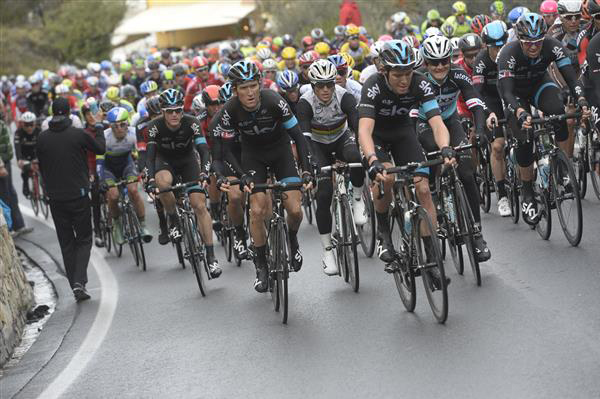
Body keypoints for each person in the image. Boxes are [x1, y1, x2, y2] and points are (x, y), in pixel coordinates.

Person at [357, 40, 453, 287]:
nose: (404, 80)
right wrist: (373, 160)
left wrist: (444, 147)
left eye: (408, 73)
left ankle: (432, 260)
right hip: (376, 137)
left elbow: (436, 121)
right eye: (397, 74)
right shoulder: (373, 86)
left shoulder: (420, 82)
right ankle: (384, 234)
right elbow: (365, 131)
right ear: (385, 72)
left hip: (402, 133)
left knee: (422, 189)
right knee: (386, 178)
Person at [212, 60, 313, 293]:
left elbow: (298, 137)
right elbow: (224, 151)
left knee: (296, 210)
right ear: (235, 90)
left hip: (280, 152)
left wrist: (306, 169)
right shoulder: (228, 112)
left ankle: (292, 239)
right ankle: (261, 266)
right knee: (257, 210)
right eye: (243, 88)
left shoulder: (274, 100)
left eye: (253, 86)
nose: (249, 92)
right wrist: (241, 175)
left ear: (259, 84)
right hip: (252, 156)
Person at [497, 12, 590, 224]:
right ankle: (528, 193)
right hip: (515, 93)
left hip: (539, 85)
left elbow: (571, 78)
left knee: (559, 112)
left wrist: (582, 100)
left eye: (538, 42)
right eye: (528, 42)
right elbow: (507, 92)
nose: (533, 47)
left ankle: (560, 168)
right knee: (525, 135)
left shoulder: (552, 45)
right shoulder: (508, 53)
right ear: (519, 40)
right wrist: (520, 112)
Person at [417, 35, 491, 262]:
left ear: (450, 60)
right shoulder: (418, 80)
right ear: (425, 63)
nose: (440, 66)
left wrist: (479, 131)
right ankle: (435, 199)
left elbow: (475, 102)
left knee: (467, 171)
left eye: (444, 61)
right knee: (432, 153)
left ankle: (476, 232)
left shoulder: (458, 74)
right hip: (424, 124)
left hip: (450, 120)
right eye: (433, 62)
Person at [296, 59, 366, 275]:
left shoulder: (344, 96)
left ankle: (357, 200)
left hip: (341, 136)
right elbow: (304, 139)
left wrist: (363, 147)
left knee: (355, 156)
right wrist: (310, 168)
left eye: (329, 85)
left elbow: (356, 125)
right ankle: (327, 250)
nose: (326, 90)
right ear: (313, 85)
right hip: (317, 144)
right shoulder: (305, 102)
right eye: (320, 86)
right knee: (324, 193)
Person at [145, 88, 221, 278]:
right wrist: (150, 180)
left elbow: (204, 150)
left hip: (188, 162)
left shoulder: (192, 122)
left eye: (178, 110)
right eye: (170, 111)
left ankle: (211, 258)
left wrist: (204, 171)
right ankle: (173, 217)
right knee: (163, 184)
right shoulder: (154, 126)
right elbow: (150, 157)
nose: (174, 115)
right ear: (162, 111)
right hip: (164, 162)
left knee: (199, 206)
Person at [36, 97, 106, 302]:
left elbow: (41, 165)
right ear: (69, 113)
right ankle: (79, 282)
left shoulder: (42, 138)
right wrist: (99, 127)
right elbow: (101, 148)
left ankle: (75, 284)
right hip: (79, 195)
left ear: (52, 113)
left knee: (66, 242)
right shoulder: (78, 135)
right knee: (84, 239)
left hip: (56, 198)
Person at [472, 20, 512, 217]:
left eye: (501, 46)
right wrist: (489, 113)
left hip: (509, 94)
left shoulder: (512, 53)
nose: (498, 51)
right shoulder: (480, 61)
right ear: (486, 46)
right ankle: (502, 195)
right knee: (497, 146)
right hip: (490, 100)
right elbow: (476, 93)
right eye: (493, 47)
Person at [97, 107, 152, 246]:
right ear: (110, 126)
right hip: (109, 168)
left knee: (133, 191)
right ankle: (118, 225)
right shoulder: (105, 137)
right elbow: (100, 161)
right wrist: (101, 179)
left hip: (126, 165)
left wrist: (143, 170)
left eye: (123, 124)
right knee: (114, 196)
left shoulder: (134, 133)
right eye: (116, 126)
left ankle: (143, 225)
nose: (120, 128)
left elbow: (141, 154)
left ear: (128, 123)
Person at [1, 116, 33, 237]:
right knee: (5, 195)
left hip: (6, 161)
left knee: (11, 194)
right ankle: (9, 228)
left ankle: (18, 225)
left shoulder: (2, 121)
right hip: (2, 163)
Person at [14, 112, 40, 198]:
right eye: (26, 125)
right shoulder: (18, 133)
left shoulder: (39, 131)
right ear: (22, 124)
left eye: (31, 124)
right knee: (25, 170)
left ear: (35, 123)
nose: (29, 127)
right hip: (24, 156)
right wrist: (19, 160)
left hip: (36, 154)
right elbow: (17, 148)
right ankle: (25, 185)